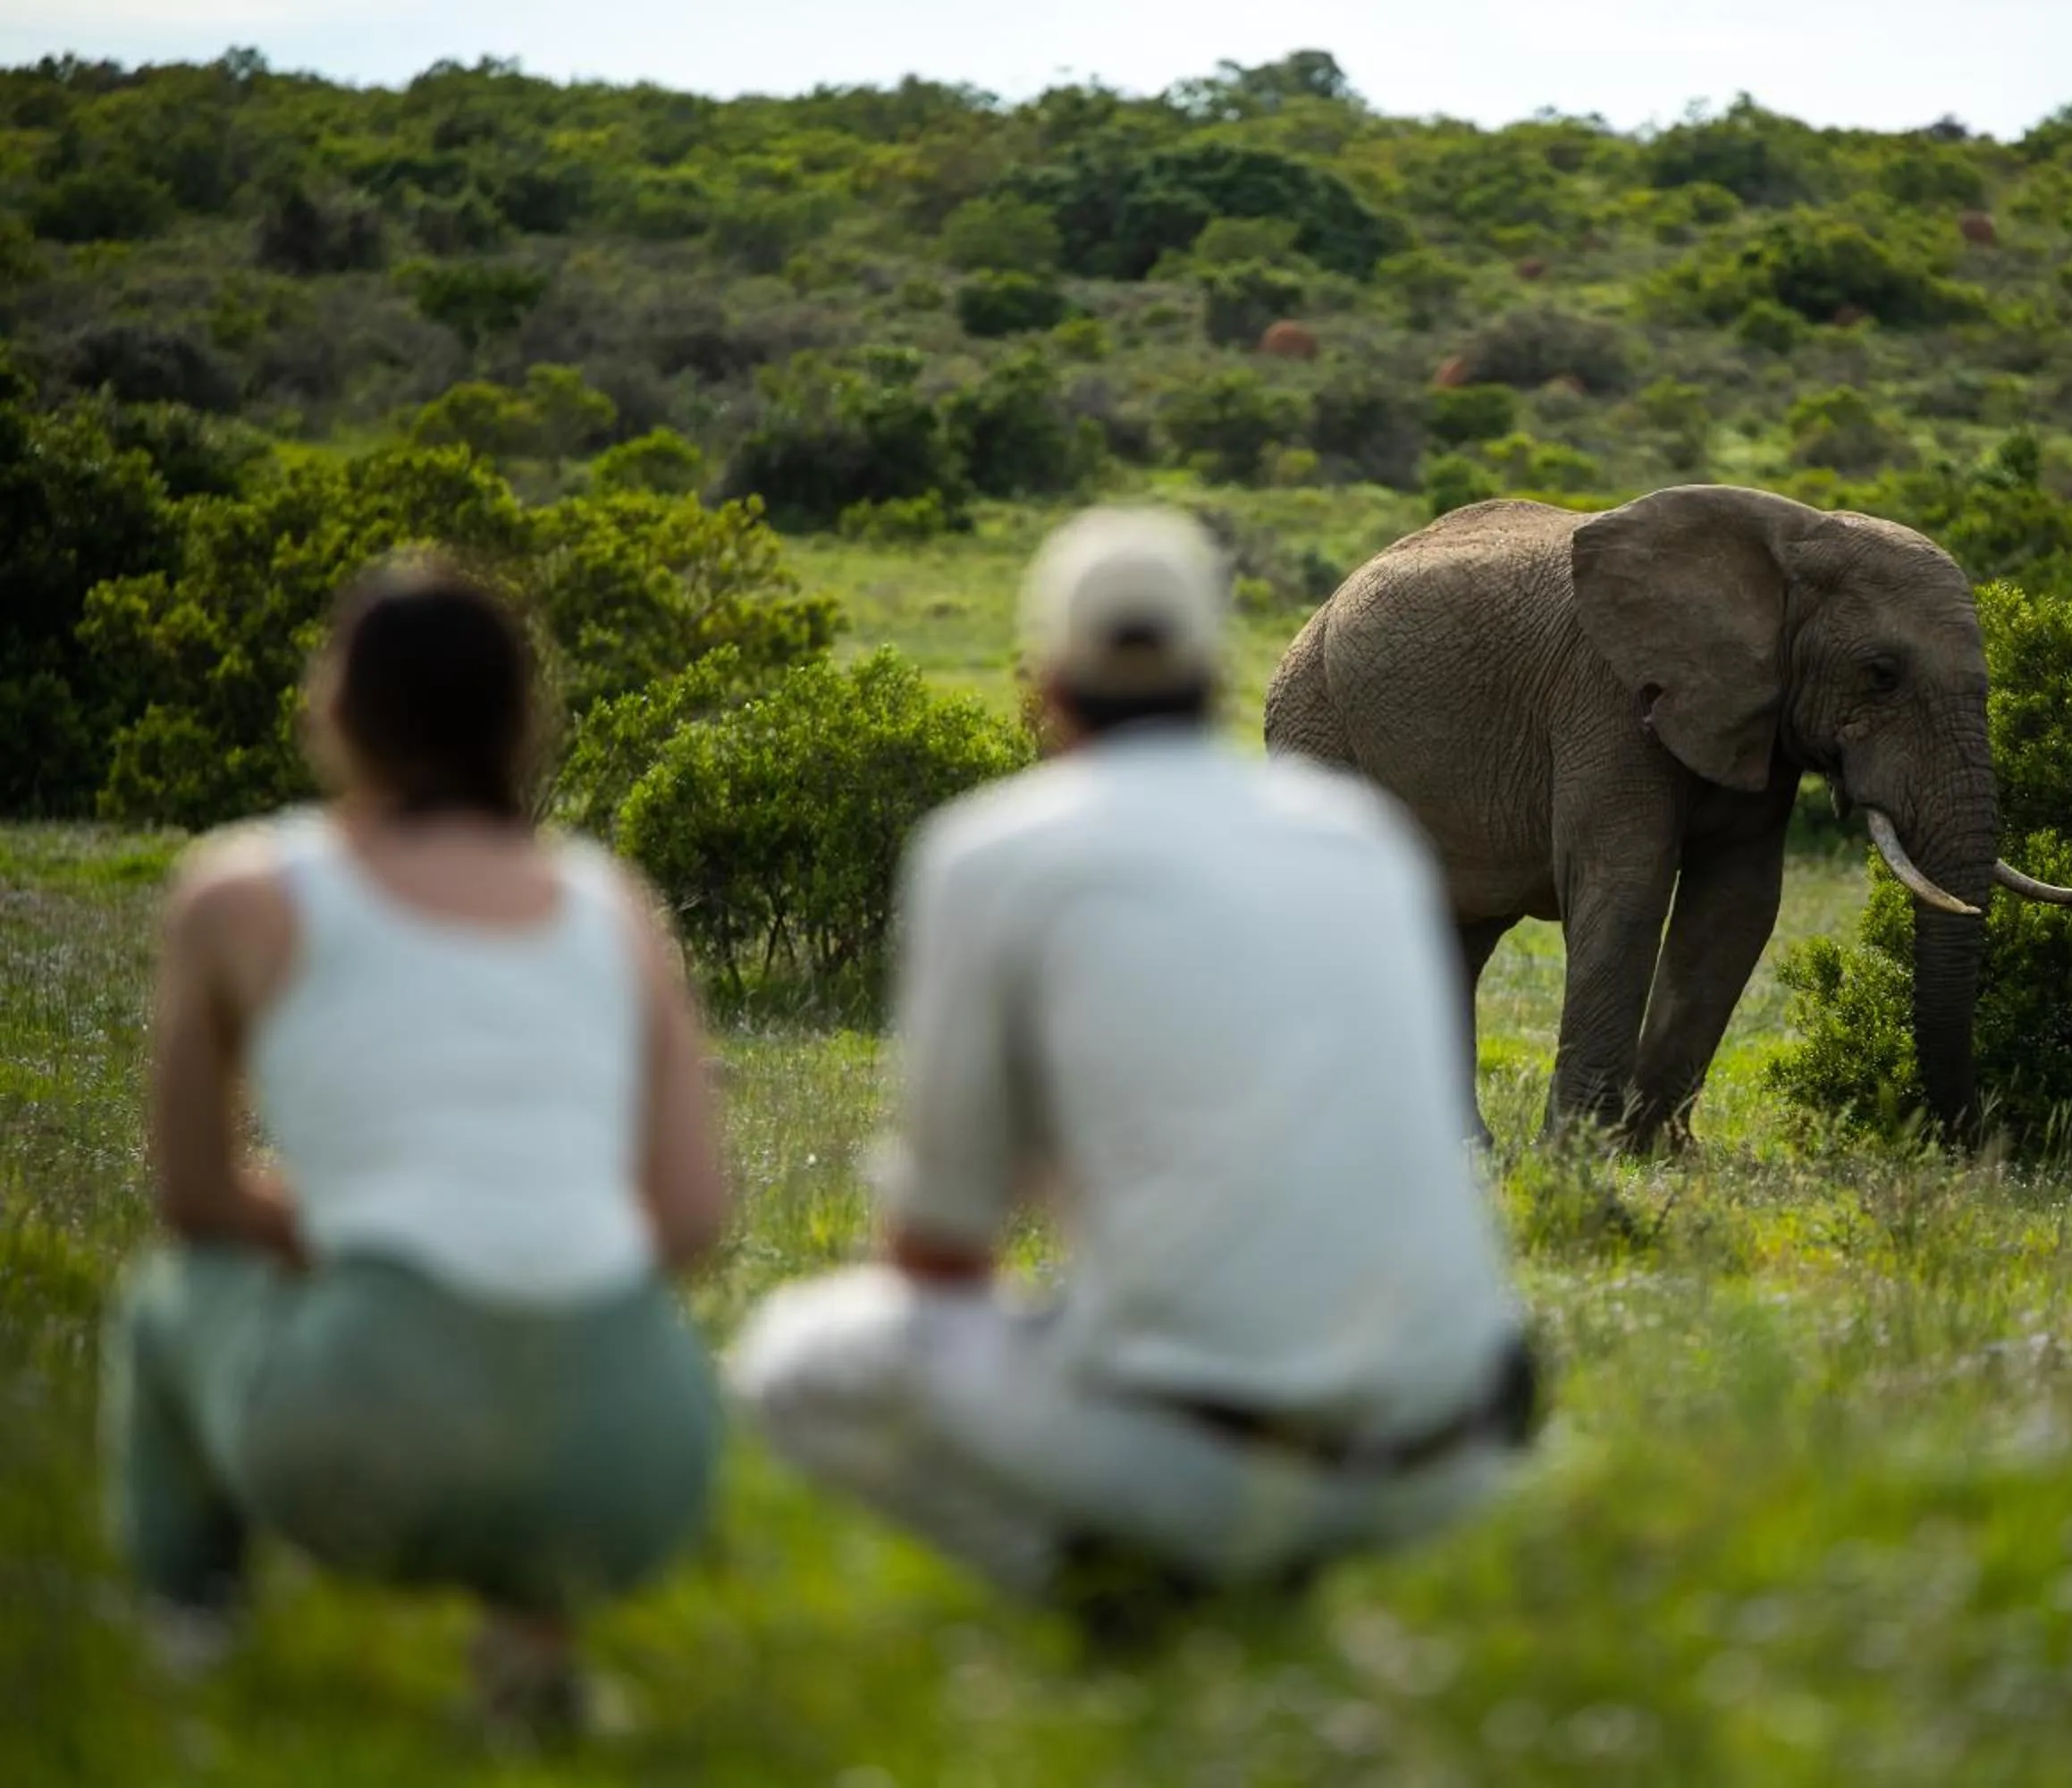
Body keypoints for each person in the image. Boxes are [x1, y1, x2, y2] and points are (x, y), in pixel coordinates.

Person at [729, 506, 1535, 1637]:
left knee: (793, 1359)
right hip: (1452, 1442)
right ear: (1221, 676)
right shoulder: (1361, 838)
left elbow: (937, 1247)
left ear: (1049, 685)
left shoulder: (990, 852)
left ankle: (1118, 1602)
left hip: (1211, 1447)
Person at [106, 559, 730, 1727]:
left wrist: (325, 1224)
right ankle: (535, 1649)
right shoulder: (612, 905)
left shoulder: (241, 893)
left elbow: (193, 1197)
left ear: (333, 709)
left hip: (370, 1432)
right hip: (640, 1457)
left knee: (168, 1300)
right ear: (522, 726)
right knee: (539, 1376)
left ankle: (192, 1645)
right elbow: (693, 1219)